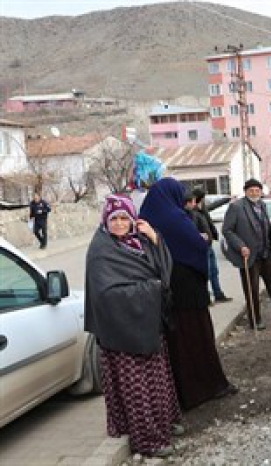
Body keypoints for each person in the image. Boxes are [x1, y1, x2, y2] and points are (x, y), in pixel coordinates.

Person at [84, 194, 181, 458]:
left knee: (156, 379)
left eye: (123, 218)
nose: (118, 224)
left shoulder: (139, 242)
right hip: (121, 331)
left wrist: (155, 238)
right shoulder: (101, 250)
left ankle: (163, 424)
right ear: (105, 220)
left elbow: (165, 272)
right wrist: (150, 290)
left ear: (132, 218)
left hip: (148, 322)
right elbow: (104, 294)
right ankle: (147, 440)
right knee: (136, 388)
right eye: (113, 218)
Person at [140, 177, 237, 410]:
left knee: (176, 344)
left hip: (164, 290)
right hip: (187, 288)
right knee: (198, 337)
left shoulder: (146, 216)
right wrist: (202, 240)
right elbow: (195, 245)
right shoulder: (174, 217)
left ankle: (182, 394)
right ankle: (208, 387)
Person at [221, 178, 271, 330]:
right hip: (249, 255)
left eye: (257, 190)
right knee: (252, 290)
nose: (254, 193)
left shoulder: (262, 205)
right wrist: (240, 246)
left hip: (266, 253)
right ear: (245, 192)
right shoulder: (236, 207)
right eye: (251, 190)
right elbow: (227, 230)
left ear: (260, 191)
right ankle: (255, 320)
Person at [192, 188, 232, 303]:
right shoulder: (193, 213)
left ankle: (218, 294)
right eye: (203, 199)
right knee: (206, 273)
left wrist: (227, 199)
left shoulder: (203, 210)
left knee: (214, 271)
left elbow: (214, 205)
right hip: (202, 247)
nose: (204, 201)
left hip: (209, 246)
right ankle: (206, 298)